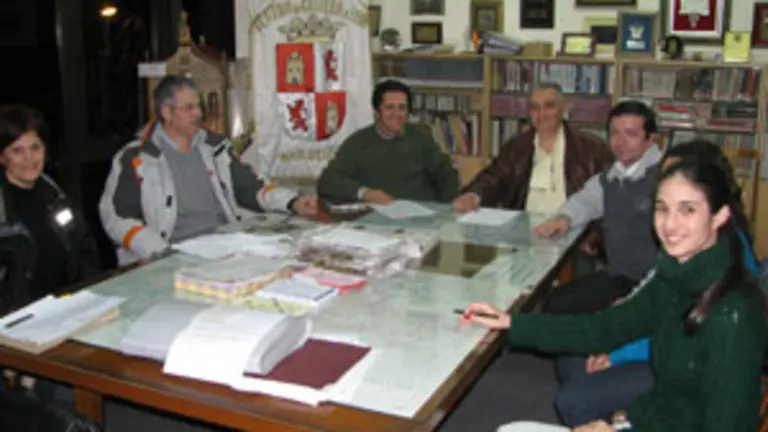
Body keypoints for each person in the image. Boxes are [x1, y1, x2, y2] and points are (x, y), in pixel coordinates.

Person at [463, 157, 768, 432]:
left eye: (688, 210)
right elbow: (604, 328)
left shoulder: (734, 313)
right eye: (662, 208)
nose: (670, 224)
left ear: (719, 216)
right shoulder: (674, 278)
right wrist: (511, 323)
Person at [552, 140, 762, 427]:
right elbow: (656, 302)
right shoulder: (687, 247)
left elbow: (678, 332)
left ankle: (612, 417)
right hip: (658, 352)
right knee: (571, 357)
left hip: (669, 366)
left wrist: (617, 353)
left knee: (574, 397)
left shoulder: (728, 267)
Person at [100, 75, 318, 265]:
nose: (198, 113)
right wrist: (159, 252)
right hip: (169, 255)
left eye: (199, 106)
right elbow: (116, 218)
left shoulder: (215, 149)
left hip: (223, 248)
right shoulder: (136, 159)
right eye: (189, 108)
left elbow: (252, 187)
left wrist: (292, 202)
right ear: (166, 112)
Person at [533, 101, 662, 313]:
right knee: (556, 301)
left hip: (655, 283)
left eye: (630, 134)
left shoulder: (664, 178)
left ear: (650, 140)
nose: (620, 142)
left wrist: (636, 299)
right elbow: (585, 200)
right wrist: (565, 217)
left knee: (560, 307)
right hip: (619, 275)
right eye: (614, 133)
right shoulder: (613, 175)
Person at [453, 83, 613, 214]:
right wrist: (472, 196)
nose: (541, 114)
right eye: (535, 107)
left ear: (563, 108)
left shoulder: (592, 149)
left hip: (573, 233)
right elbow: (493, 178)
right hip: (525, 231)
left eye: (549, 106)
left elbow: (609, 194)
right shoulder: (516, 147)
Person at [0, 105, 100, 310]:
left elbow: (83, 249)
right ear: (2, 157)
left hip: (66, 309)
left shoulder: (56, 196)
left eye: (35, 147)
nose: (29, 159)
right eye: (17, 151)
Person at [316, 79, 459, 205]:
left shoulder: (421, 136)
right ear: (377, 112)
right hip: (377, 218)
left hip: (423, 214)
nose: (397, 114)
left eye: (402, 108)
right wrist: (365, 193)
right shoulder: (358, 143)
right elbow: (328, 181)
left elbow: (445, 173)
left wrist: (452, 204)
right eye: (390, 107)